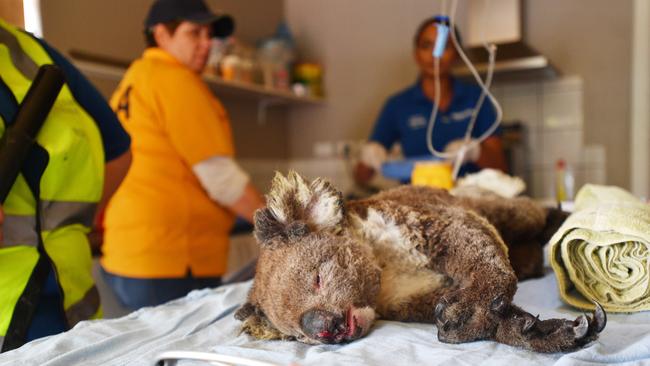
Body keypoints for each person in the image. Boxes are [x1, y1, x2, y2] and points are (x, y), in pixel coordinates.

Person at [100, 0, 265, 310]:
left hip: (132, 255)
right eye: (194, 33)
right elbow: (222, 179)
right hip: (171, 258)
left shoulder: (135, 79)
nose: (207, 44)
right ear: (161, 34)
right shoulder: (174, 79)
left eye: (209, 35)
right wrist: (280, 224)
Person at [0, 19, 132, 352]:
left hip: (69, 318)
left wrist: (64, 223)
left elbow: (118, 152)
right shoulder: (27, 51)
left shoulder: (32, 52)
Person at [355, 16, 507, 186]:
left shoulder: (477, 98)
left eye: (444, 46)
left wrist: (476, 152)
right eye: (426, 46)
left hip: (471, 203)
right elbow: (361, 177)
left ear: (457, 54)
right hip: (414, 206)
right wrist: (369, 157)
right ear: (416, 54)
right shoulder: (397, 106)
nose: (435, 55)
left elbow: (500, 167)